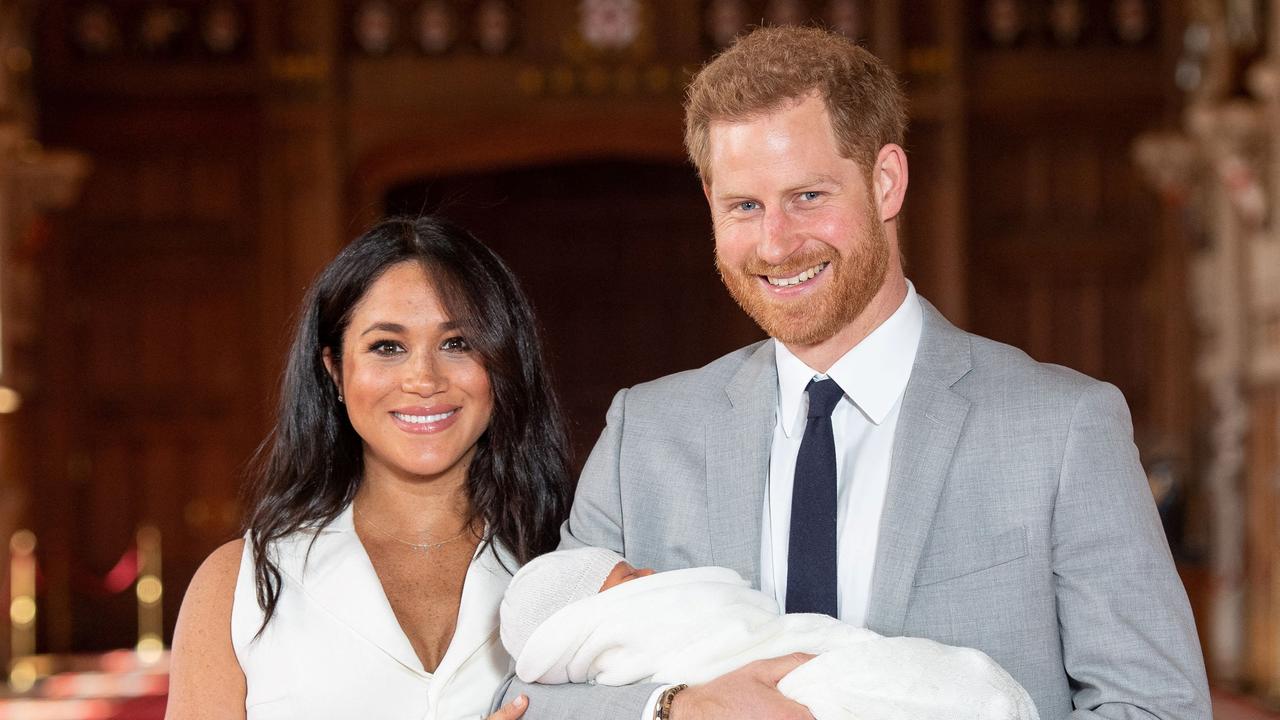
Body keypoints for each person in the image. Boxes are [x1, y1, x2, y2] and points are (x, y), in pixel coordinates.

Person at [504, 25, 1211, 720]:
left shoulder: (1061, 428)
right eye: (744, 206)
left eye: (808, 196)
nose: (776, 243)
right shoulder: (645, 437)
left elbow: (1157, 706)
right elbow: (531, 698)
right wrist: (675, 709)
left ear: (886, 182)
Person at [166, 216, 571, 719]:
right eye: (388, 347)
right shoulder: (237, 586)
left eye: (457, 343)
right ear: (335, 370)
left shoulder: (573, 564)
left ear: (503, 363)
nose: (424, 379)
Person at [499, 547, 1040, 720]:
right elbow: (526, 702)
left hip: (822, 659)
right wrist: (678, 708)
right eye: (632, 579)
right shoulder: (636, 426)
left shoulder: (1068, 415)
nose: (651, 576)